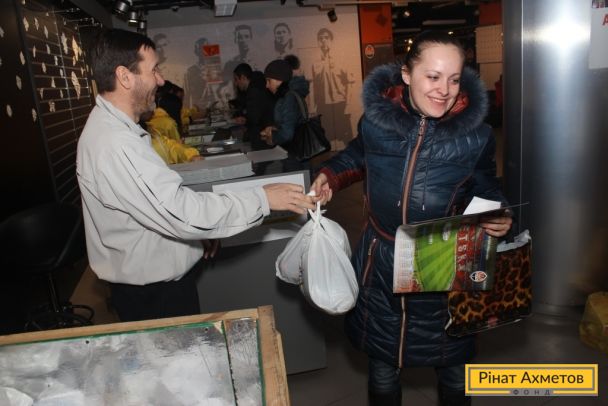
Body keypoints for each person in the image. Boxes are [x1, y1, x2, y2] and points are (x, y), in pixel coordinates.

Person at [310, 30, 513, 406]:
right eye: (432, 76)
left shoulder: (476, 135)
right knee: (383, 369)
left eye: (454, 79)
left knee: (455, 371)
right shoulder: (376, 121)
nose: (444, 90)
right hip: (382, 264)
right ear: (406, 74)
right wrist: (330, 175)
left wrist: (498, 213)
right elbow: (357, 155)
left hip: (446, 267)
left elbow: (486, 186)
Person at [76, 29, 317, 323]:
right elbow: (180, 212)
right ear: (125, 77)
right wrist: (262, 199)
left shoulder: (114, 131)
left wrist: (195, 236)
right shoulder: (116, 143)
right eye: (154, 70)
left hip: (153, 284)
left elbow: (154, 209)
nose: (160, 80)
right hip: (155, 295)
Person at [261, 59, 310, 172]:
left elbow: (287, 134)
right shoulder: (289, 95)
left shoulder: (289, 98)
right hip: (296, 153)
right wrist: (274, 128)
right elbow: (291, 123)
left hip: (294, 156)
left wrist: (272, 137)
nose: (266, 85)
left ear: (279, 80)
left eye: (268, 80)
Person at [311, 28, 354, 148]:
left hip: (340, 104)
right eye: (320, 39)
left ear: (331, 40)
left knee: (347, 139)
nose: (323, 41)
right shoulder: (315, 63)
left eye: (326, 38)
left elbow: (350, 83)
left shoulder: (342, 60)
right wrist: (313, 107)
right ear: (318, 42)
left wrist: (348, 105)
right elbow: (314, 86)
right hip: (323, 106)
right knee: (325, 139)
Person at [232, 63, 275, 150]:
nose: (236, 84)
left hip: (262, 136)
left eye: (236, 79)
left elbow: (254, 118)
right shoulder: (256, 87)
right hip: (265, 133)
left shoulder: (254, 92)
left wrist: (245, 119)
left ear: (243, 77)